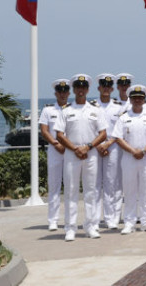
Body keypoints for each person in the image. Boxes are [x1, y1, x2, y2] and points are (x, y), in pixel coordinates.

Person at [54, 73, 107, 241]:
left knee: (91, 191)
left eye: (83, 87)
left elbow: (103, 133)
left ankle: (91, 226)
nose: (81, 90)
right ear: (74, 89)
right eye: (78, 87)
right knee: (71, 191)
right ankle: (70, 228)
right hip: (72, 154)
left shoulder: (95, 110)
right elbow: (59, 134)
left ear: (88, 89)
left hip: (90, 154)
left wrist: (88, 147)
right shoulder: (66, 111)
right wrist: (75, 149)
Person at [112, 84, 146, 234]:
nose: (137, 100)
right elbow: (118, 138)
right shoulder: (124, 117)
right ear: (130, 99)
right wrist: (133, 151)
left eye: (140, 98)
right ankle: (129, 222)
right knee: (130, 191)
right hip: (129, 158)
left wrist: (144, 150)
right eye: (134, 98)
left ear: (144, 99)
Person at [39, 79, 70, 231]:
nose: (62, 94)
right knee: (54, 186)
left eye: (65, 91)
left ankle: (70, 219)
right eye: (60, 91)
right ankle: (53, 220)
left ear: (69, 93)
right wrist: (56, 143)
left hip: (70, 150)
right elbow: (44, 130)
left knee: (71, 187)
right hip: (54, 150)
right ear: (56, 93)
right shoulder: (48, 110)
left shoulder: (73, 109)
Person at [94, 73, 124, 230]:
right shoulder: (92, 106)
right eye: (103, 86)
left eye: (108, 87)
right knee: (94, 184)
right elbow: (90, 128)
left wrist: (108, 144)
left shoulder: (118, 107)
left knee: (112, 183)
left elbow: (120, 130)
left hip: (113, 147)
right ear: (98, 88)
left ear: (112, 89)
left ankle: (111, 217)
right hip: (95, 148)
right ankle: (94, 218)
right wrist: (99, 145)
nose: (106, 89)